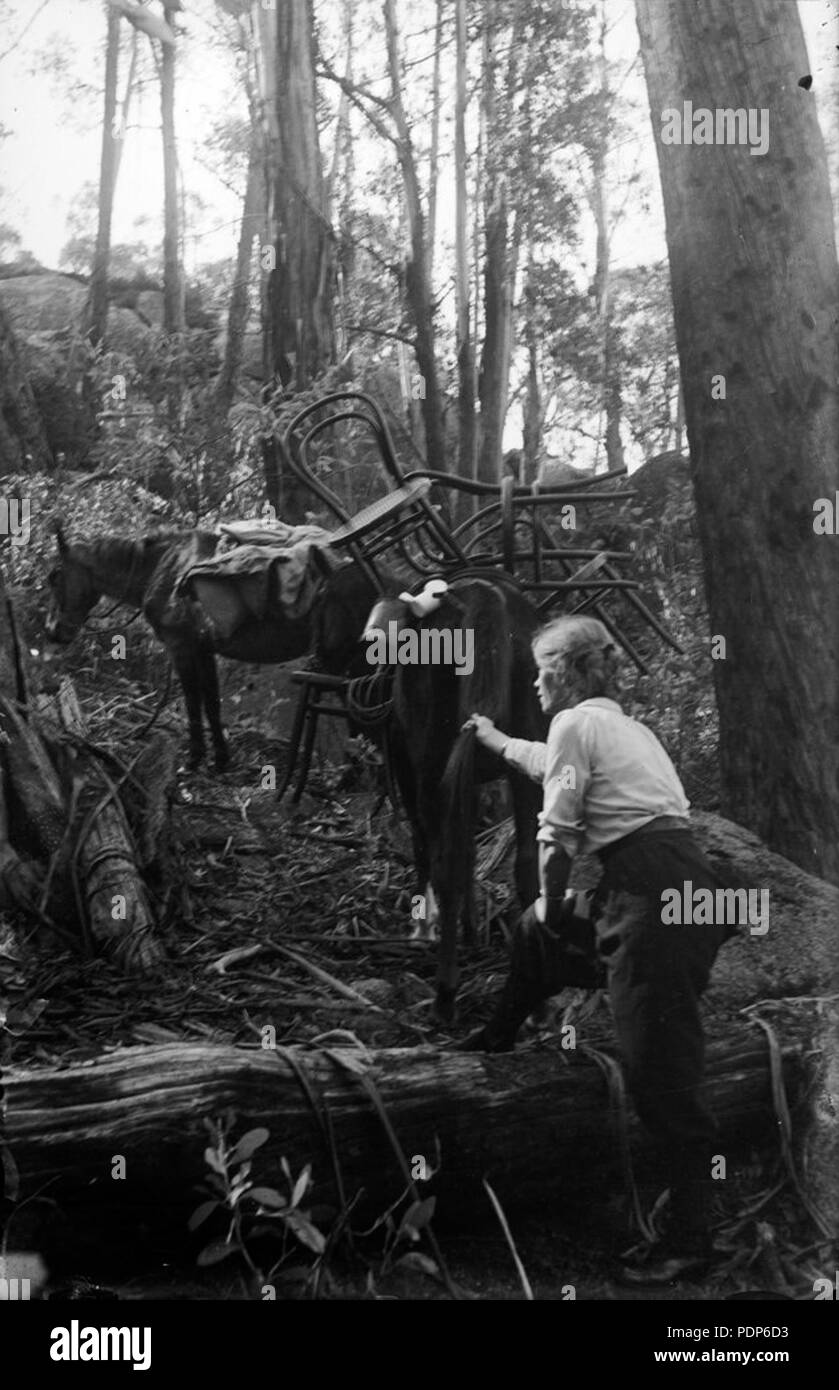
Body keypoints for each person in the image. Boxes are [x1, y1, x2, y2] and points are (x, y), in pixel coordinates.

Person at [462, 615, 735, 1285]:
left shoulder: (575, 726)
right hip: (675, 887)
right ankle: (493, 1040)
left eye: (538, 669)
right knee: (533, 932)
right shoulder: (623, 729)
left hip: (652, 899)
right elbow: (546, 762)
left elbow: (554, 833)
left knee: (657, 1069)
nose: (532, 681)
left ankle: (690, 1238)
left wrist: (554, 898)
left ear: (563, 674)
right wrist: (494, 739)